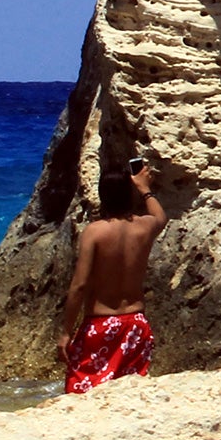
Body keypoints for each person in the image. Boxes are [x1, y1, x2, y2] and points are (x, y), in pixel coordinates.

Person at [60, 159, 165, 393]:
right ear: (129, 195)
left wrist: (67, 332)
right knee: (127, 393)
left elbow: (79, 286)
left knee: (80, 392)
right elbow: (160, 217)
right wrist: (144, 188)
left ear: (103, 196)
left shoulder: (95, 232)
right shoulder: (145, 226)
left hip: (101, 326)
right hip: (136, 324)